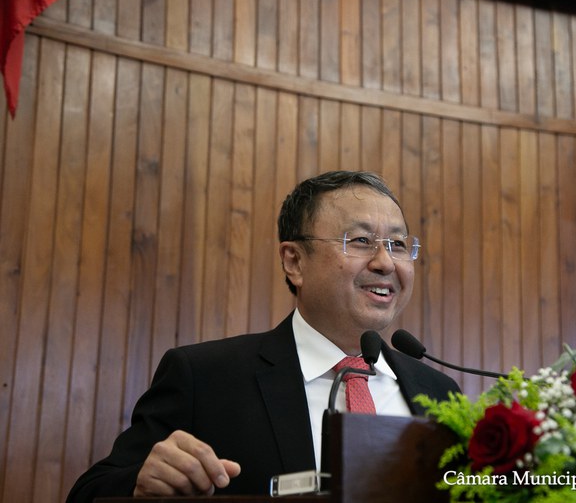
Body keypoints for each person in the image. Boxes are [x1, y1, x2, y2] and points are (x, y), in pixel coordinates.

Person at [66, 170, 460, 501]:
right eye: (360, 241)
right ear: (294, 261)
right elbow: (89, 492)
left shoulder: (440, 393)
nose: (385, 262)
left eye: (397, 244)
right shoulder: (204, 377)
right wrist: (139, 484)